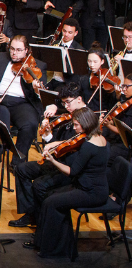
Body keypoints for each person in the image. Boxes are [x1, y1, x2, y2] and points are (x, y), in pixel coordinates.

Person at [25, 107, 108, 259]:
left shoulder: (89, 146)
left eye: (76, 125)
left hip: (92, 192)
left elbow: (72, 171)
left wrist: (52, 160)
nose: (75, 128)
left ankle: (54, 250)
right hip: (87, 186)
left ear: (86, 123)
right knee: (50, 195)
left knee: (51, 202)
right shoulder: (100, 138)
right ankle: (48, 243)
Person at [9, 82, 87, 228]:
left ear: (79, 99)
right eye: (63, 103)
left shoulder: (86, 119)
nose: (66, 106)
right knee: (21, 169)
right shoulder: (68, 117)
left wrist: (51, 141)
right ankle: (31, 214)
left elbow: (71, 147)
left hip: (69, 168)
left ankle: (42, 221)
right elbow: (57, 145)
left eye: (68, 102)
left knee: (40, 185)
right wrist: (47, 135)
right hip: (57, 161)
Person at [0, 36, 47, 164]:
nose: (14, 53)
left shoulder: (38, 65)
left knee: (30, 124)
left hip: (21, 103)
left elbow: (42, 94)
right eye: (12, 49)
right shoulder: (0, 58)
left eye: (19, 50)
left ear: (27, 50)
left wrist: (36, 89)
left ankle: (18, 163)